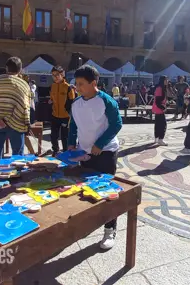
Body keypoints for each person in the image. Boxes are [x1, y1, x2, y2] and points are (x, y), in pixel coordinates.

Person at [67, 65, 123, 250]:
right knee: (85, 190)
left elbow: (116, 124)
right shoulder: (76, 103)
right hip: (84, 154)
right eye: (76, 83)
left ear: (94, 83)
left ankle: (110, 229)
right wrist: (70, 144)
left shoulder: (106, 101)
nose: (77, 87)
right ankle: (89, 223)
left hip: (105, 153)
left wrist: (100, 144)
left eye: (81, 84)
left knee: (107, 192)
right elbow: (73, 126)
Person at [0, 57, 31, 164]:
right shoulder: (24, 85)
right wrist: (27, 124)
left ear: (6, 68)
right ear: (20, 69)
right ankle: (16, 178)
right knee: (17, 158)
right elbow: (25, 107)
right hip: (17, 124)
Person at [49, 65, 76, 156]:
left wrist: (69, 115)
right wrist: (50, 101)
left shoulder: (68, 87)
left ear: (62, 74)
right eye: (53, 75)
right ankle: (55, 150)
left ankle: (65, 152)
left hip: (65, 116)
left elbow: (72, 102)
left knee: (65, 137)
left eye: (57, 75)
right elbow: (52, 98)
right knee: (53, 135)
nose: (55, 77)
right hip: (54, 115)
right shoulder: (52, 86)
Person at [153, 76, 168, 146]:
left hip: (158, 108)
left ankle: (157, 138)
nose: (167, 81)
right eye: (166, 80)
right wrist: (163, 107)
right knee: (163, 124)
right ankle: (160, 139)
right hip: (159, 109)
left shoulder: (162, 88)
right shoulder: (159, 88)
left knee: (158, 124)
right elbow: (157, 101)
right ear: (163, 81)